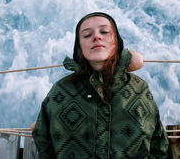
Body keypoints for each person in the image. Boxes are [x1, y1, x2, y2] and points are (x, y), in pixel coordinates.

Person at [32, 12, 169, 159]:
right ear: (79, 47)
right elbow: (43, 141)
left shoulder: (139, 88)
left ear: (117, 42)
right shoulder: (60, 90)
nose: (96, 37)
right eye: (86, 35)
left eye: (104, 32)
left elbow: (157, 144)